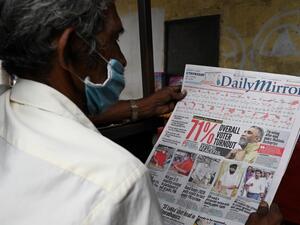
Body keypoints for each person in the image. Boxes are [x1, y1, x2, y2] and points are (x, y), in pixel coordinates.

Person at [0, 0, 282, 224]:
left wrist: (139, 107)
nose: (120, 58)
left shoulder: (6, 110)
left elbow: (56, 115)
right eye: (113, 39)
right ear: (71, 47)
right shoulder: (118, 179)